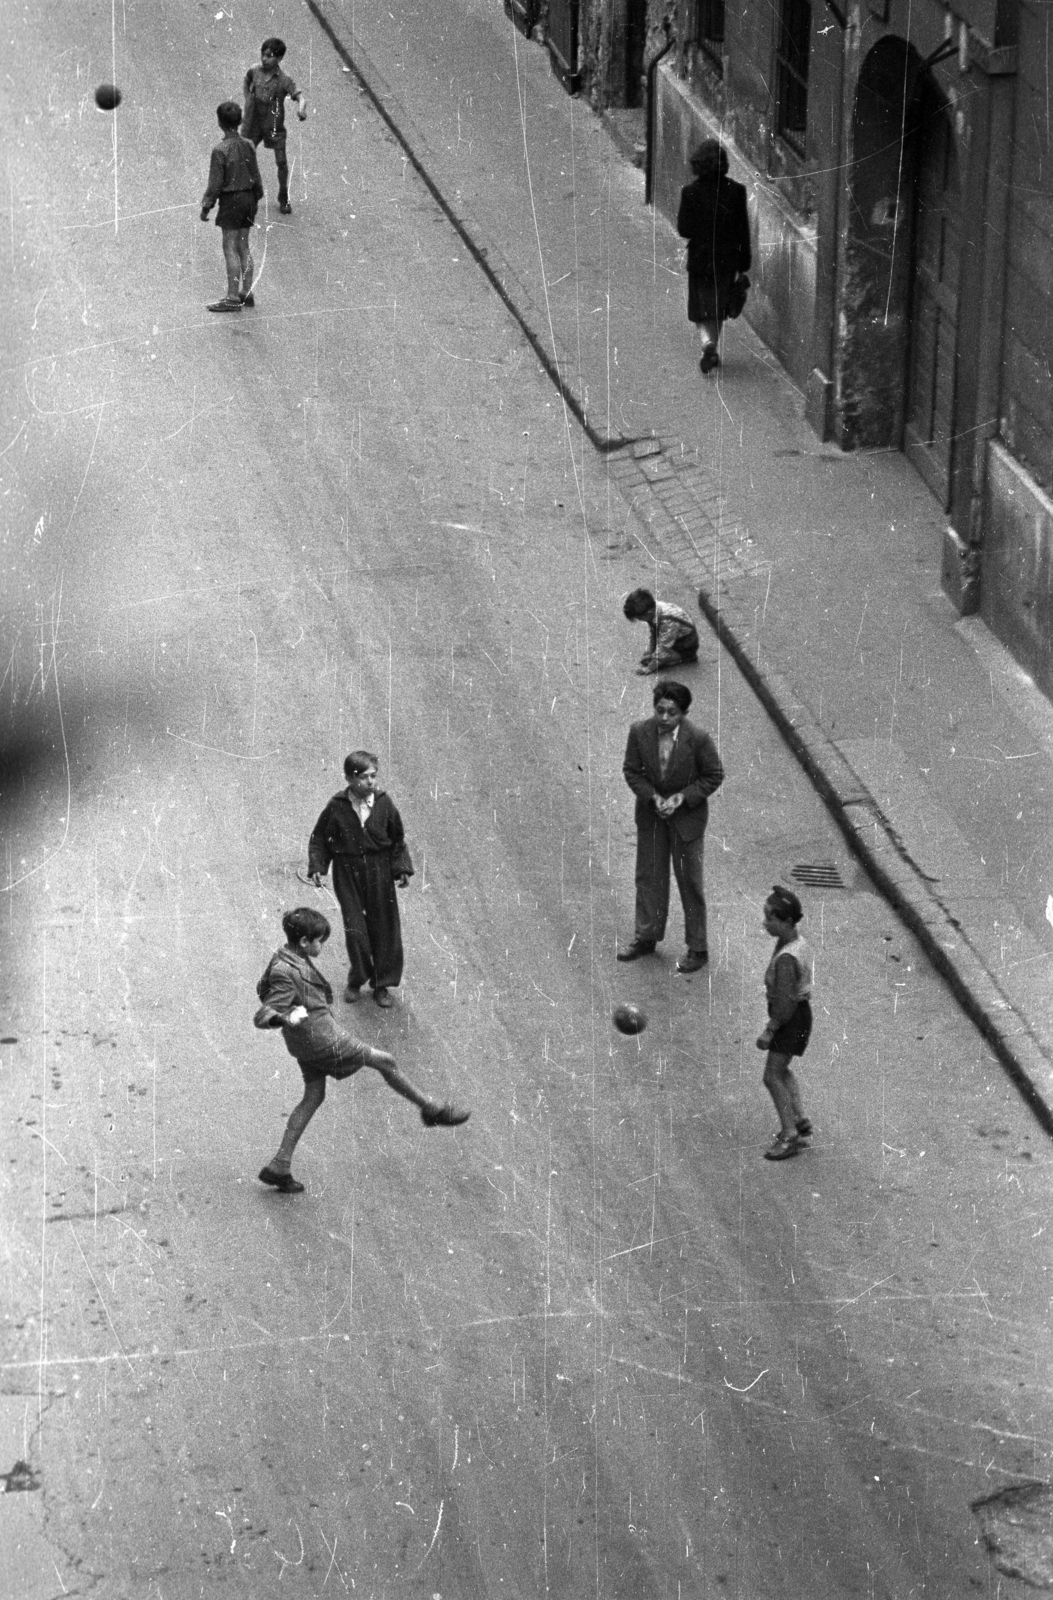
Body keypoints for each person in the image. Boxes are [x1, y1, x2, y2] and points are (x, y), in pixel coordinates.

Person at [255, 907, 469, 1194]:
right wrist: (286, 1015)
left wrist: (292, 1008)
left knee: (313, 1096)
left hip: (304, 1044)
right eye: (319, 941)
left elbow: (262, 987)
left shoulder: (283, 957)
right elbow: (264, 1011)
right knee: (385, 1060)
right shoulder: (287, 970)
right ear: (304, 941)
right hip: (322, 1040)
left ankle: (280, 1165)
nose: (322, 946)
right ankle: (430, 1108)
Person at [618, 681, 724, 973]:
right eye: (660, 710)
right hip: (652, 817)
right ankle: (646, 935)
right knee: (649, 878)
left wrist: (681, 798)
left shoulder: (698, 739)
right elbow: (631, 770)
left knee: (690, 883)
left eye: (672, 713)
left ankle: (697, 948)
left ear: (684, 713)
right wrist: (652, 797)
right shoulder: (640, 732)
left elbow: (713, 775)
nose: (664, 718)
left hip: (686, 821)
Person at [309, 751, 411, 1009]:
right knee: (356, 930)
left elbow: (397, 839)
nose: (371, 782)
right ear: (349, 779)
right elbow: (320, 838)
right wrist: (319, 867)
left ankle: (382, 983)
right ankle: (357, 978)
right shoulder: (337, 806)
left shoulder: (385, 804)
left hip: (379, 872)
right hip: (348, 872)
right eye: (364, 777)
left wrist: (400, 869)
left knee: (385, 928)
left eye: (373, 776)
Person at [676, 139, 751, 374]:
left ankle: (707, 342)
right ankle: (712, 346)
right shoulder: (737, 192)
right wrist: (744, 262)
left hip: (700, 259)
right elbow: (743, 230)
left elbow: (684, 229)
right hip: (727, 260)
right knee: (719, 307)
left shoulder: (690, 193)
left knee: (699, 308)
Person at [756, 886, 814, 1161]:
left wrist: (770, 1030)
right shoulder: (794, 942)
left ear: (787, 921)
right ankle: (800, 1117)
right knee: (783, 1070)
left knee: (771, 1076)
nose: (765, 923)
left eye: (770, 918)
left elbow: (784, 1003)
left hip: (789, 1019)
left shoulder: (786, 960)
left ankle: (789, 1134)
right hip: (800, 1015)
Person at [200, 101, 264, 313]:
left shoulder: (220, 150)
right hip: (248, 199)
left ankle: (231, 296)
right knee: (243, 246)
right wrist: (257, 196)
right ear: (240, 120)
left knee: (229, 247)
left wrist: (206, 206)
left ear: (220, 122)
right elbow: (255, 174)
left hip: (232, 201)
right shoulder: (248, 144)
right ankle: (247, 292)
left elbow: (215, 184)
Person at [242, 36, 307, 215]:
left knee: (281, 161)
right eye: (263, 54)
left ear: (278, 59)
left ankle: (283, 195)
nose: (264, 59)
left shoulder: (284, 80)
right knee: (245, 154)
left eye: (269, 56)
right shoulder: (254, 70)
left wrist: (301, 110)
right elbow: (247, 80)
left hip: (273, 121)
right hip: (253, 119)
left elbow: (300, 97)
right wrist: (248, 98)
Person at [623, 588, 700, 676]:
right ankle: (662, 657)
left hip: (685, 643)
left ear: (648, 613)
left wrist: (650, 668)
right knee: (655, 655)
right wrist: (650, 651)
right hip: (671, 637)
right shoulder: (653, 611)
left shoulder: (668, 621)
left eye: (639, 618)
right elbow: (654, 632)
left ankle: (685, 657)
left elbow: (663, 647)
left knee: (663, 656)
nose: (640, 620)